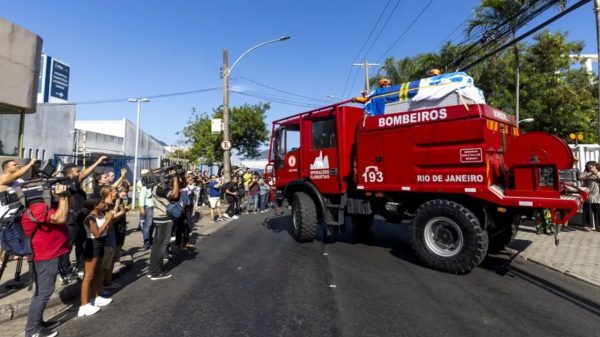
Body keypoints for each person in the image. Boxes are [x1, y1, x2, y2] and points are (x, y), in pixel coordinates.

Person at [21, 184, 70, 337]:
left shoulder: (44, 205)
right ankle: (32, 331)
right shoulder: (37, 208)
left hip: (50, 253)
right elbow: (61, 218)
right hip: (45, 255)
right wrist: (62, 197)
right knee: (44, 292)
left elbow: (70, 208)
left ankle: (38, 322)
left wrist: (64, 196)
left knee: (42, 291)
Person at [59, 155, 108, 282]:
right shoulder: (68, 182)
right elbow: (84, 174)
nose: (80, 173)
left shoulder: (74, 184)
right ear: (70, 174)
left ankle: (80, 267)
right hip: (71, 221)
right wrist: (98, 161)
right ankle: (66, 272)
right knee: (67, 247)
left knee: (81, 245)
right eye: (77, 171)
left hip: (80, 219)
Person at [78, 195, 116, 317]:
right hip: (92, 245)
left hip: (101, 245)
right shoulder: (90, 218)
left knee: (98, 272)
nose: (105, 204)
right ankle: (83, 306)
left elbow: (106, 229)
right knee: (88, 275)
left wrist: (109, 218)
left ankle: (96, 297)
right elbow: (97, 233)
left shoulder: (101, 214)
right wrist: (107, 220)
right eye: (103, 203)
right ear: (95, 205)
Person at [147, 168, 180, 280]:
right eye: (163, 174)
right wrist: (175, 177)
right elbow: (175, 195)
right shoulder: (160, 188)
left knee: (157, 245)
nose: (165, 176)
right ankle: (155, 272)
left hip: (160, 218)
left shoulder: (156, 187)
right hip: (163, 219)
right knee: (161, 246)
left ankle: (153, 269)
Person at [138, 169, 154, 249]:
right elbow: (141, 196)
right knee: (147, 226)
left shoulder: (151, 183)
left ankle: (150, 240)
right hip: (148, 206)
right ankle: (147, 243)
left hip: (152, 206)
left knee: (151, 225)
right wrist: (142, 208)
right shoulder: (144, 184)